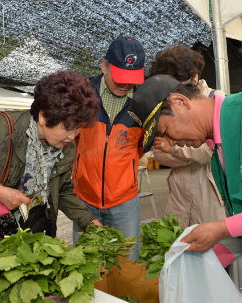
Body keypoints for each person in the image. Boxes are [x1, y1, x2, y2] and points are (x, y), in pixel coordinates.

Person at [129, 74, 242, 302]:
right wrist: (195, 262)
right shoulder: (219, 152)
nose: (170, 144)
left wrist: (223, 227)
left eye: (165, 132)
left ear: (180, 101)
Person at [0, 70, 102, 238]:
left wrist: (90, 222)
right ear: (43, 116)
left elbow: (62, 191)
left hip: (39, 225)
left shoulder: (67, 146)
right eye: (68, 128)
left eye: (78, 128)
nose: (73, 136)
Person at [71, 36, 145, 260]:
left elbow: (142, 146)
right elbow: (72, 140)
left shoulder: (144, 102)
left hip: (125, 201)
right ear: (105, 67)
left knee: (126, 265)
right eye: (120, 77)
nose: (125, 85)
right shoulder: (82, 95)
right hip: (85, 198)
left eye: (131, 79)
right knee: (86, 264)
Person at [149, 45, 225, 228]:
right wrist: (192, 155)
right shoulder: (164, 108)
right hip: (178, 198)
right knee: (178, 249)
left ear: (195, 77)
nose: (171, 91)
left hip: (210, 199)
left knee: (219, 251)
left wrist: (172, 148)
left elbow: (214, 152)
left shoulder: (217, 102)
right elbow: (159, 154)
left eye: (177, 84)